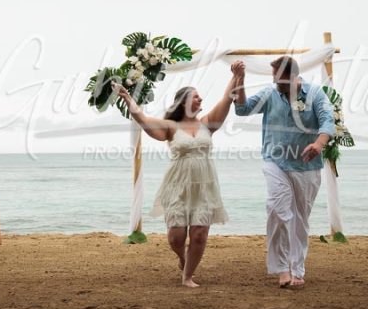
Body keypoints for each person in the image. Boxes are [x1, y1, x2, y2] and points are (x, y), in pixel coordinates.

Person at [112, 73, 239, 288]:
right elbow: (142, 118)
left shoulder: (207, 124)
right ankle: (182, 257)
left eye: (200, 97)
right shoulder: (171, 126)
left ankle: (187, 275)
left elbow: (226, 99)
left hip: (204, 187)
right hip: (177, 186)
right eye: (196, 97)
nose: (200, 100)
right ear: (184, 102)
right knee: (176, 237)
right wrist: (126, 97)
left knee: (199, 235)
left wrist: (236, 76)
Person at [233, 56, 335, 288]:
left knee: (300, 219)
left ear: (293, 76)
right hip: (275, 162)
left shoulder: (316, 94)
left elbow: (328, 121)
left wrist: (319, 144)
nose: (275, 82)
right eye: (273, 78)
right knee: (278, 210)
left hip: (307, 167)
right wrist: (240, 79)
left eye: (279, 78)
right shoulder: (270, 94)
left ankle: (297, 268)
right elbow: (242, 109)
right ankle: (282, 270)